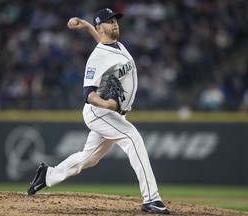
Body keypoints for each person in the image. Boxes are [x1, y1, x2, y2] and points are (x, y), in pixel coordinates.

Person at [27, 8, 170, 214]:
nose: (115, 24)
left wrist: (86, 26)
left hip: (113, 114)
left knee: (89, 158)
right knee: (133, 138)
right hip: (100, 113)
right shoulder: (96, 58)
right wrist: (107, 104)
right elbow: (88, 93)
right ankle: (151, 199)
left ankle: (48, 175)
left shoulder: (115, 46)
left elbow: (102, 43)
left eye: (115, 20)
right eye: (109, 21)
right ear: (100, 27)